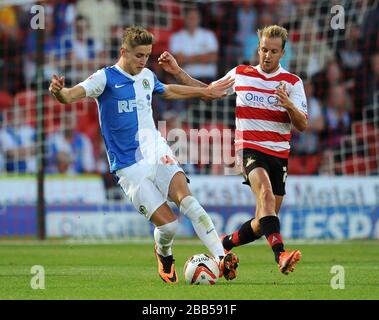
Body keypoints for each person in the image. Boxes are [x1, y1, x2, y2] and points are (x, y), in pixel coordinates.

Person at [48, 26, 238, 283]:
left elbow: (168, 90)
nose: (143, 61)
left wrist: (204, 90)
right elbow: (70, 96)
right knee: (169, 226)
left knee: (188, 202)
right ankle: (164, 252)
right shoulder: (104, 79)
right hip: (128, 166)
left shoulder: (147, 75)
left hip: (156, 149)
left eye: (147, 55)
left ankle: (220, 256)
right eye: (138, 55)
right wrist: (60, 91)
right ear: (123, 51)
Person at [158, 25, 307, 275]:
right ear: (257, 49)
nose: (267, 56)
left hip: (279, 155)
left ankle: (223, 245)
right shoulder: (242, 74)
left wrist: (289, 105)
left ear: (282, 53)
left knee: (264, 220)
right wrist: (177, 71)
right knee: (267, 196)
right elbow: (208, 93)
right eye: (263, 50)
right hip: (249, 150)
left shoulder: (292, 82)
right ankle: (280, 255)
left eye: (273, 51)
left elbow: (302, 124)